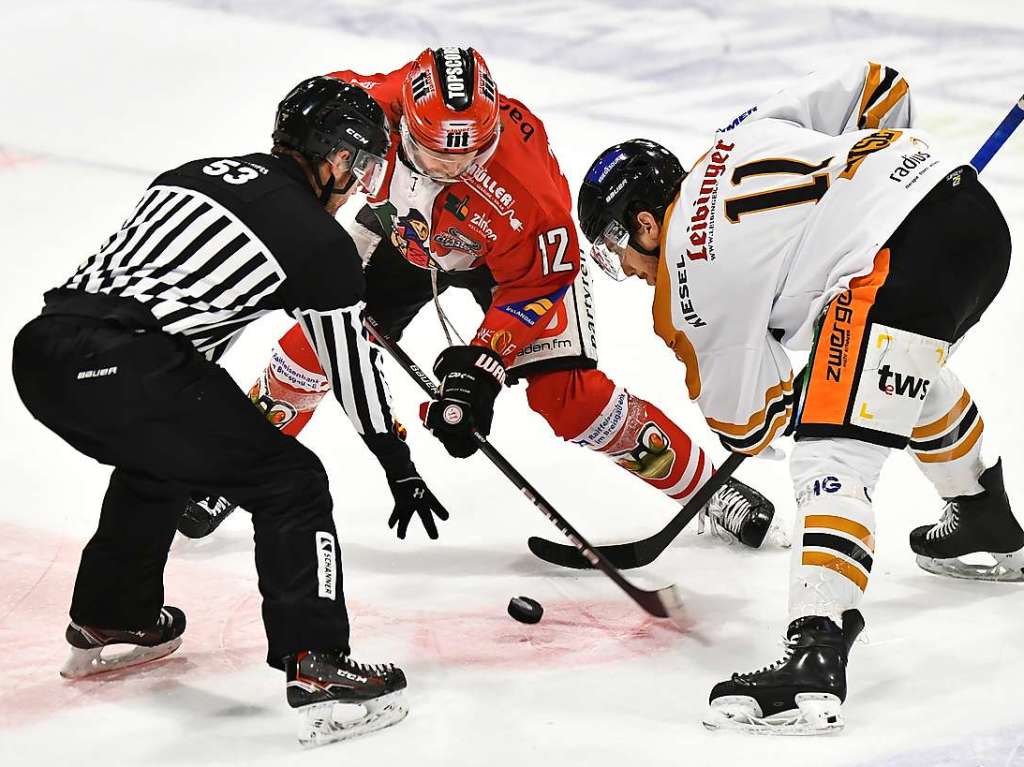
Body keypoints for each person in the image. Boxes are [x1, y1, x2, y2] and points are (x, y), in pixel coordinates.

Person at [575, 61, 1022, 734]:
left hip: (895, 264)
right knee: (891, 368)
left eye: (618, 248)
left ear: (642, 222)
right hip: (972, 216)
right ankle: (982, 511)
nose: (631, 271)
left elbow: (747, 422)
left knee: (828, 452)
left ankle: (814, 653)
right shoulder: (737, 137)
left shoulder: (679, 289)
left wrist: (800, 390)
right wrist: (877, 193)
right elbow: (880, 85)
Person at [179, 46, 776, 549]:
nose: (455, 164)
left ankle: (708, 490)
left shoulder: (528, 191)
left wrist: (482, 366)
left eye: (471, 151)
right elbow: (303, 140)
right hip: (404, 236)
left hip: (512, 267)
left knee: (565, 398)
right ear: (404, 119)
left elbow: (542, 280)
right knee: (318, 341)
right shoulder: (368, 107)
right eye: (438, 151)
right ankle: (235, 471)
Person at [12, 76, 410, 746]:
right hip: (129, 362)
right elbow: (347, 365)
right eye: (361, 165)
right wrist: (396, 460)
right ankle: (317, 662)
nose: (359, 186)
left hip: (43, 352)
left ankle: (114, 614)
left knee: (162, 455)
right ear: (336, 158)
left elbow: (186, 326)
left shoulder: (193, 173)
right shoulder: (318, 238)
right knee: (293, 480)